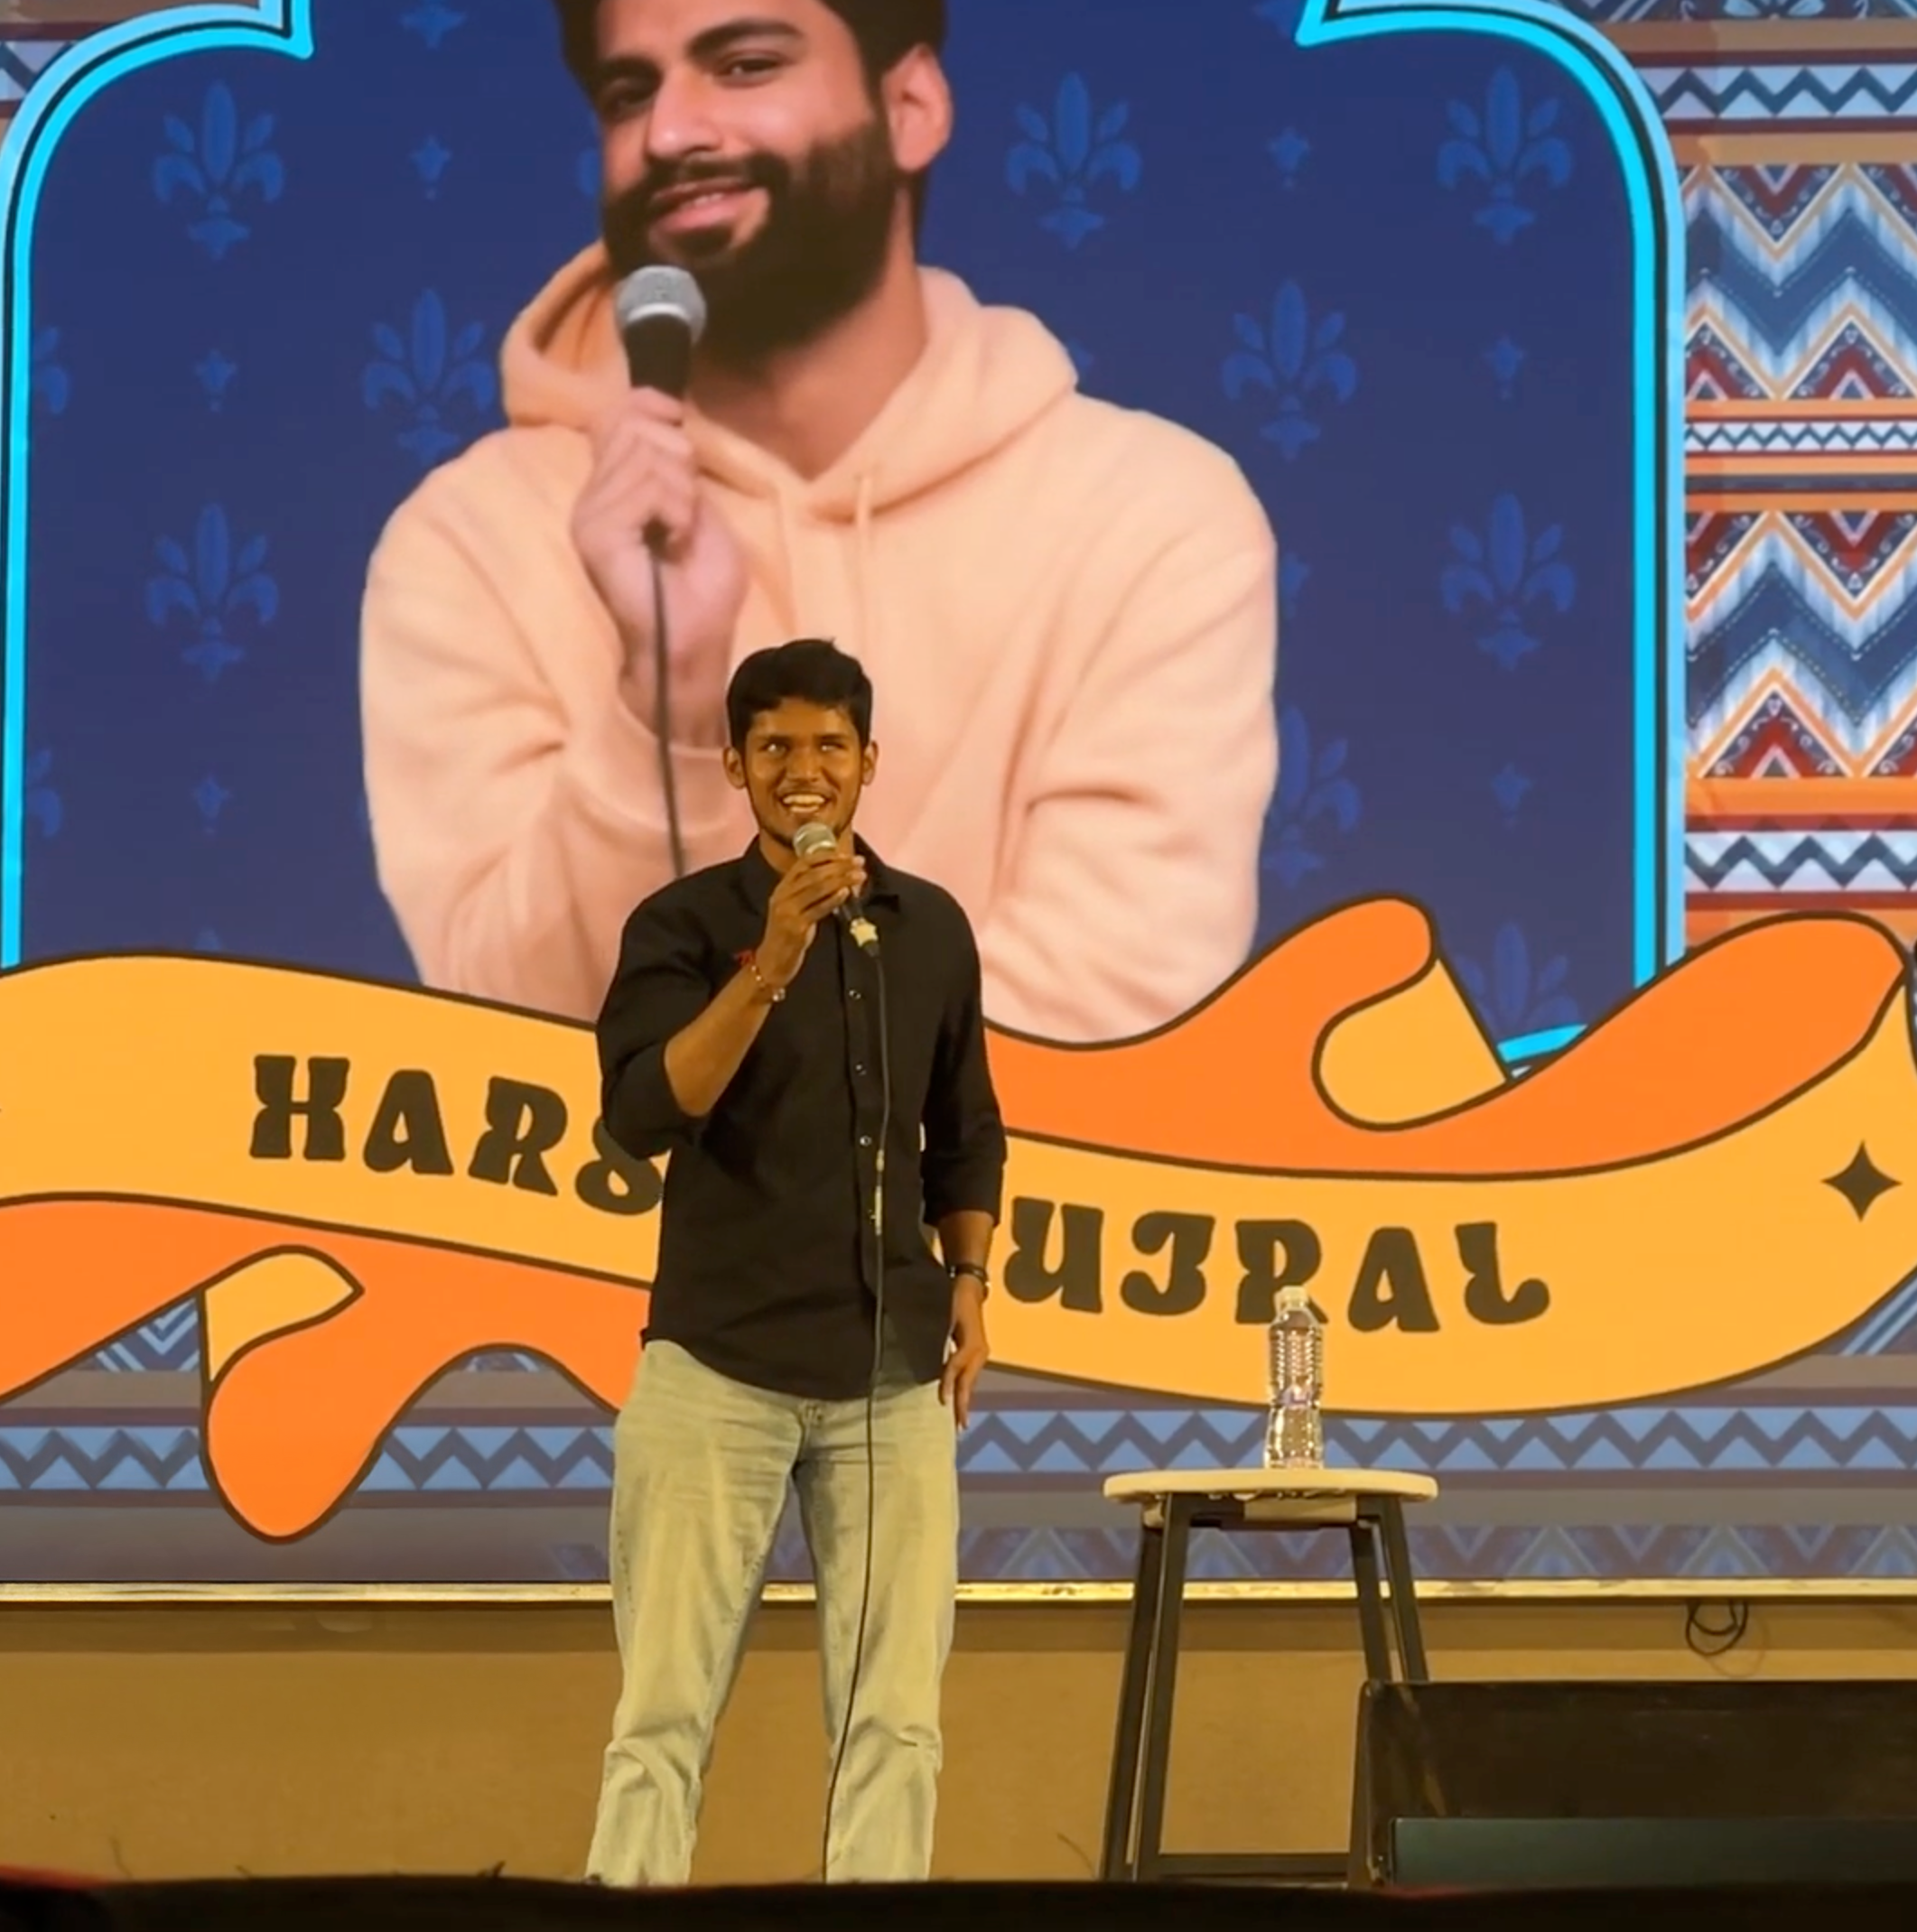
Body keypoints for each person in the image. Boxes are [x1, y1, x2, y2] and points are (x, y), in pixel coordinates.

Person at [360, 0, 1280, 1045]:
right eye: (630, 93)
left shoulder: (1150, 518)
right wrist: (661, 709)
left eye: (744, 65)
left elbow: (1114, 1004)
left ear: (911, 106)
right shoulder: (467, 543)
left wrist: (746, 1126)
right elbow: (504, 1046)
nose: (670, 133)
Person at [585, 637, 1005, 1886]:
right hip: (716, 1370)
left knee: (895, 1720)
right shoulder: (681, 926)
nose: (804, 771)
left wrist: (971, 1287)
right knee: (661, 1718)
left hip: (887, 1376)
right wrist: (771, 957)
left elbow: (964, 1130)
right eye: (775, 749)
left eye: (829, 746)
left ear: (870, 761)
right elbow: (645, 1116)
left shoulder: (924, 928)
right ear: (734, 765)